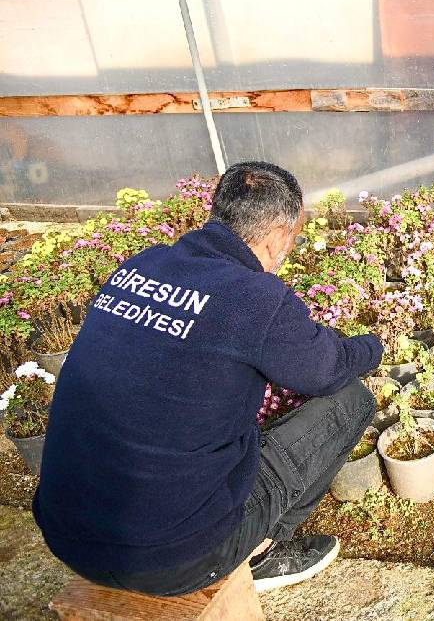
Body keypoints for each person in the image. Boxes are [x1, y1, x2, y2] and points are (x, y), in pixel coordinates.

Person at [33, 162, 383, 595]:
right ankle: (265, 551)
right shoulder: (255, 298)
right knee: (350, 400)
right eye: (294, 238)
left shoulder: (139, 267)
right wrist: (373, 346)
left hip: (66, 535)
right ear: (277, 237)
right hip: (175, 559)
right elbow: (326, 369)